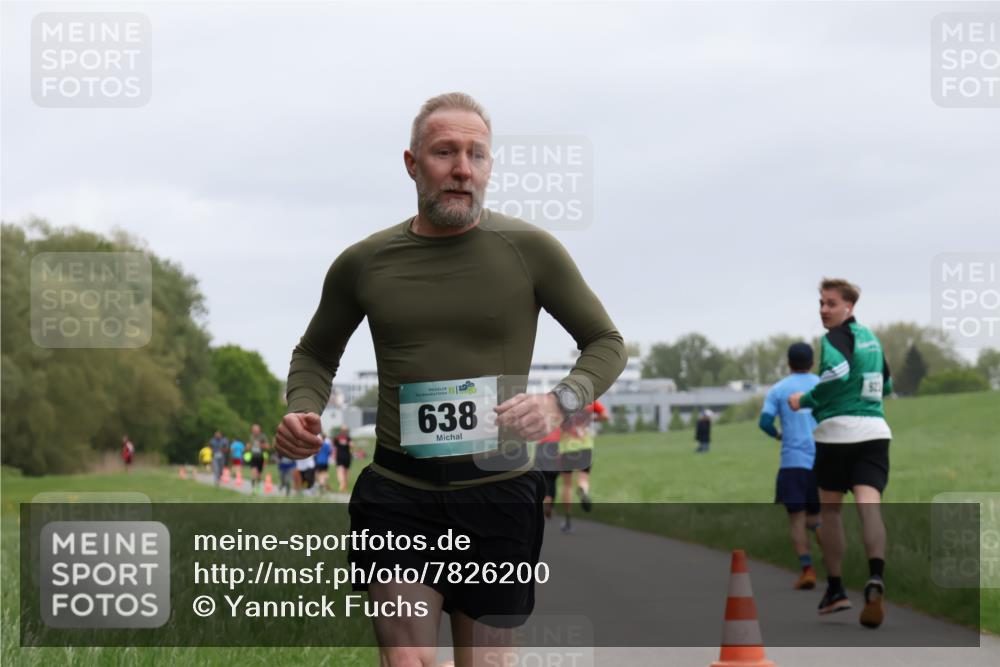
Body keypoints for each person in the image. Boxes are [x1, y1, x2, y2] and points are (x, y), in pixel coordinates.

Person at [275, 92, 626, 666]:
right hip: (397, 493)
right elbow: (315, 351)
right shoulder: (364, 262)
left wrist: (560, 403)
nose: (463, 168)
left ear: (489, 166)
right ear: (413, 163)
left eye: (477, 154)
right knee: (407, 660)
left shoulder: (530, 250)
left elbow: (606, 343)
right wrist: (302, 406)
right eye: (445, 152)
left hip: (498, 492)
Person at [789, 278, 893, 628]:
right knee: (869, 507)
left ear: (849, 307)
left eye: (831, 304)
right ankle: (875, 576)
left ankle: (835, 589)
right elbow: (887, 384)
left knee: (831, 511)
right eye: (821, 303)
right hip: (875, 433)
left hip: (836, 435)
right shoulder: (873, 341)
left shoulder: (832, 339)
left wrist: (805, 399)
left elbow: (836, 374)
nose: (823, 310)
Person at [759, 342, 822, 590]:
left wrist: (778, 435)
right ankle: (820, 534)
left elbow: (764, 422)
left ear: (788, 363)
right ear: (812, 362)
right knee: (817, 516)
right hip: (822, 460)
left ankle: (807, 570)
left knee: (796, 519)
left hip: (792, 463)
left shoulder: (779, 389)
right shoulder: (822, 386)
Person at [557, 400, 607, 533]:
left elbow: (554, 422)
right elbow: (605, 416)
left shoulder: (562, 401)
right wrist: (590, 419)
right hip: (585, 447)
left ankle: (568, 520)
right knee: (583, 479)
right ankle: (583, 490)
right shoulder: (590, 401)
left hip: (566, 448)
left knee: (567, 485)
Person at [246, 425, 270, 493]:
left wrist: (260, 445)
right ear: (252, 430)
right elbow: (248, 446)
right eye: (254, 430)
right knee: (253, 472)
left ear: (259, 430)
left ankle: (258, 485)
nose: (255, 431)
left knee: (259, 474)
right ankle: (253, 488)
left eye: (256, 430)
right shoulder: (251, 437)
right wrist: (248, 447)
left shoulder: (263, 436)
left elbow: (268, 446)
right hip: (253, 457)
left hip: (260, 457)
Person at [332, 426, 356, 493]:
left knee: (340, 471)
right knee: (346, 472)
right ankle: (345, 486)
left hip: (339, 456)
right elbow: (352, 446)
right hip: (347, 457)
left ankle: (342, 485)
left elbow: (333, 446)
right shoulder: (348, 438)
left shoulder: (337, 438)